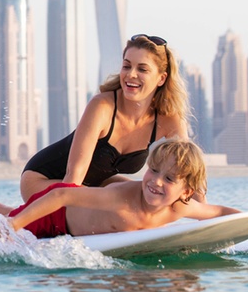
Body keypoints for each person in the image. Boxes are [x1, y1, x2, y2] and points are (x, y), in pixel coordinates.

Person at [0, 138, 248, 251]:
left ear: (185, 190)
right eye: (153, 171)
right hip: (59, 215)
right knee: (2, 233)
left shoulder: (181, 208)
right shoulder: (123, 197)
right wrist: (15, 222)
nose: (155, 182)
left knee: (8, 220)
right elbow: (64, 196)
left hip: (72, 221)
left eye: (169, 180)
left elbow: (222, 212)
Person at [19, 34, 192, 202]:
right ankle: (4, 212)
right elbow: (73, 177)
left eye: (142, 69)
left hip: (94, 186)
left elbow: (188, 173)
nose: (131, 74)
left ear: (161, 78)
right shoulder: (102, 106)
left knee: (146, 194)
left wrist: (209, 221)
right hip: (44, 182)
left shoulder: (168, 119)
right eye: (126, 66)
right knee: (120, 206)